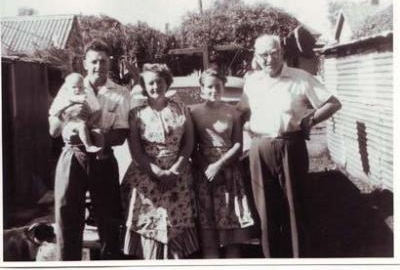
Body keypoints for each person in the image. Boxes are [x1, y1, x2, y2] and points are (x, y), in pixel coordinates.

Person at [237, 34, 341, 258]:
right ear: (256, 56)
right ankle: (272, 260)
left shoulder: (300, 77)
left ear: (282, 53)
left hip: (290, 146)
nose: (269, 59)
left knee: (296, 207)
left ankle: (298, 260)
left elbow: (333, 103)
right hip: (260, 147)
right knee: (265, 210)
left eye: (274, 52)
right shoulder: (252, 82)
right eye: (263, 54)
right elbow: (241, 111)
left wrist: (309, 120)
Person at [49, 39, 130, 260]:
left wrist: (99, 137)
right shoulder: (69, 87)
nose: (98, 67)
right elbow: (53, 130)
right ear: (85, 63)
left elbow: (122, 135)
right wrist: (68, 114)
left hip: (103, 157)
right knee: (67, 216)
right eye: (94, 61)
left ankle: (109, 262)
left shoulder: (120, 93)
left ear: (109, 63)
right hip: (72, 155)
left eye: (103, 61)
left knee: (109, 218)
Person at [120, 63, 198, 259]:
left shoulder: (181, 109)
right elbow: (136, 152)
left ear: (167, 83)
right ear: (144, 86)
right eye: (150, 83)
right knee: (150, 225)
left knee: (176, 223)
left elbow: (189, 144)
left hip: (177, 177)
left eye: (159, 82)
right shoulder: (136, 114)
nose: (155, 87)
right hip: (147, 176)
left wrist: (174, 171)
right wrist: (158, 173)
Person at [190, 68, 255, 258]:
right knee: (209, 234)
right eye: (209, 87)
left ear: (223, 87)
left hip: (228, 174)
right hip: (204, 175)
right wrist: (207, 168)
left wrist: (219, 165)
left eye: (217, 86)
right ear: (202, 89)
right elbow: (192, 146)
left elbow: (238, 145)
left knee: (230, 236)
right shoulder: (194, 113)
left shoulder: (232, 113)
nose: (213, 91)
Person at [49, 72, 103, 153]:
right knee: (81, 127)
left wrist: (90, 122)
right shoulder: (65, 97)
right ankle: (89, 146)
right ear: (67, 88)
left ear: (84, 86)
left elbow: (98, 110)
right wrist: (68, 111)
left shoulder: (87, 94)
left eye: (80, 87)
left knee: (98, 133)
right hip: (71, 124)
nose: (77, 90)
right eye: (74, 87)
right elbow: (55, 114)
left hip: (86, 123)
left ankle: (99, 154)